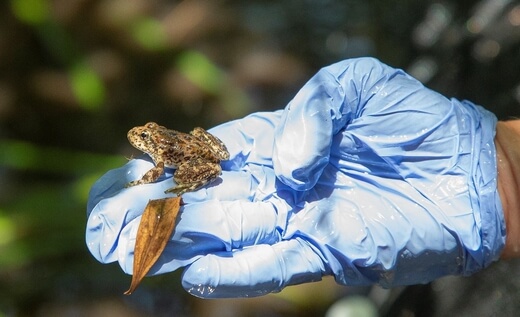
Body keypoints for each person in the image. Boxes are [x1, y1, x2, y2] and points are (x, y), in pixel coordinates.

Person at [86, 57, 520, 298]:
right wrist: (503, 178)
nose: (141, 140)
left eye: (144, 137)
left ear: (151, 140)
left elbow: (165, 168)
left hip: (200, 158)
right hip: (202, 150)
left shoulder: (159, 155)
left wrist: (494, 168)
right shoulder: (160, 145)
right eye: (144, 138)